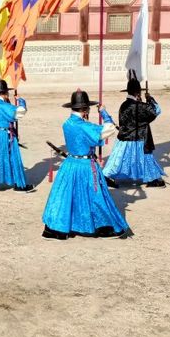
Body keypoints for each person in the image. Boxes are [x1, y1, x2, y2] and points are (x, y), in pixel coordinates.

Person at [41, 90, 129, 240]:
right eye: (87, 107)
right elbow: (109, 129)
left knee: (65, 196)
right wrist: (104, 113)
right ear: (85, 109)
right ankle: (104, 227)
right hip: (85, 165)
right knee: (95, 195)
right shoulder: (84, 126)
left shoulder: (67, 123)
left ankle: (55, 228)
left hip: (70, 164)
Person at [102, 78, 165, 188]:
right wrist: (149, 98)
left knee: (118, 159)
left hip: (124, 138)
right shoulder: (140, 106)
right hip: (140, 138)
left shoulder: (124, 105)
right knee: (146, 157)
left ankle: (107, 175)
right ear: (138, 92)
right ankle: (152, 179)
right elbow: (156, 110)